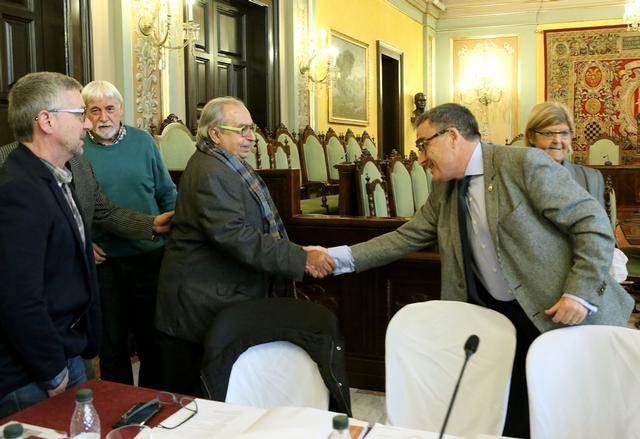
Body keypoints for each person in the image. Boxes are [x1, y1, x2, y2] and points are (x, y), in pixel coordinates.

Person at [323, 103, 634, 438]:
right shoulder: (444, 188)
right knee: (507, 412)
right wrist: (335, 258)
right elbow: (406, 237)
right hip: (497, 318)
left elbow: (592, 222)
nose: (421, 158)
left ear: (452, 136)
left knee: (568, 415)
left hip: (557, 313)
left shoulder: (522, 164)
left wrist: (579, 292)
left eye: (424, 145)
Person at [155, 96, 335, 395]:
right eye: (242, 130)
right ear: (215, 133)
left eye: (252, 129)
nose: (252, 137)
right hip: (198, 301)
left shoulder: (225, 165)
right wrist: (300, 258)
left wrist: (297, 253)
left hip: (215, 293)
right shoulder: (211, 172)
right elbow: (237, 236)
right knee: (195, 397)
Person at [0, 72, 100, 417]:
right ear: (46, 121)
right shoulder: (18, 189)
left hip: (66, 351)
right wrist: (51, 368)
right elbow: (18, 296)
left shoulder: (57, 176)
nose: (88, 123)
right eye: (80, 113)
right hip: (34, 371)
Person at [81, 80, 177, 388]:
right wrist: (83, 242)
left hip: (149, 254)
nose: (103, 117)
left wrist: (176, 238)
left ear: (121, 109)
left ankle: (153, 403)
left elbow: (167, 192)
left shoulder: (143, 142)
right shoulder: (76, 148)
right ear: (85, 114)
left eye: (110, 108)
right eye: (95, 110)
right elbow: (66, 204)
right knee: (111, 343)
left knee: (153, 340)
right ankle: (117, 404)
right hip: (103, 261)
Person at [524, 101, 627, 283]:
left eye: (564, 133)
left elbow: (599, 235)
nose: (558, 140)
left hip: (579, 275)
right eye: (548, 133)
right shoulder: (517, 178)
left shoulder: (590, 178)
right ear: (531, 136)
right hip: (532, 276)